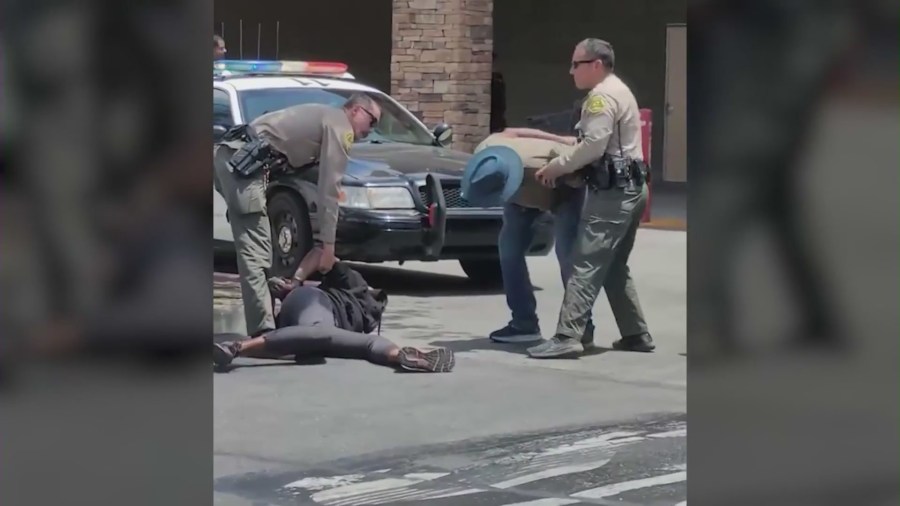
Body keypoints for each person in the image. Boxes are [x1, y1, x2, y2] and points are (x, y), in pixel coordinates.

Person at [525, 38, 654, 358]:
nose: (571, 72)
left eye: (576, 64)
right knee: (613, 266)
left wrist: (556, 167)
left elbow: (593, 145)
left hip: (613, 193)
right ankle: (636, 334)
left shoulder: (601, 98)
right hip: (633, 188)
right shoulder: (619, 89)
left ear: (596, 65)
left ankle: (568, 335)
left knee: (586, 262)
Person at [213, 94, 381, 337]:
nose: (370, 131)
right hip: (242, 164)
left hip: (234, 158)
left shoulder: (323, 117)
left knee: (260, 242)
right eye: (372, 121)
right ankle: (264, 333)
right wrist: (329, 246)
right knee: (256, 251)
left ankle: (271, 309)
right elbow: (330, 189)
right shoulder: (341, 126)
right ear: (356, 110)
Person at [213, 247, 454, 373]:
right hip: (315, 303)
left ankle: (402, 355)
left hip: (317, 322)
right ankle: (236, 348)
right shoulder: (357, 285)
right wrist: (295, 283)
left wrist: (294, 284)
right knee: (322, 333)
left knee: (356, 343)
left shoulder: (362, 308)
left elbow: (320, 255)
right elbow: (321, 254)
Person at [462, 133, 596, 347]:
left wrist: (563, 141)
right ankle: (523, 323)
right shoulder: (486, 149)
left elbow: (579, 175)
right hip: (522, 192)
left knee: (567, 254)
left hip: (564, 184)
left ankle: (580, 326)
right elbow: (513, 130)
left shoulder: (540, 164)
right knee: (508, 249)